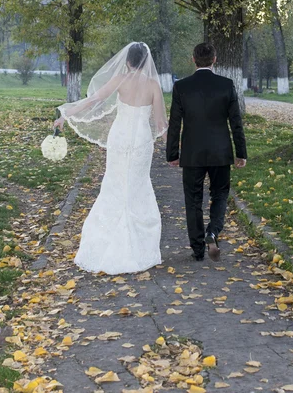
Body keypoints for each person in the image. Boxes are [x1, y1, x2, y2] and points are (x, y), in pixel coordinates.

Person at [54, 42, 168, 275]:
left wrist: (66, 113)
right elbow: (160, 124)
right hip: (140, 142)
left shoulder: (120, 80)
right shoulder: (154, 85)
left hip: (120, 137)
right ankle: (139, 247)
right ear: (146, 61)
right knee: (138, 185)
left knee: (115, 184)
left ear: (127, 61)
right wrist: (173, 151)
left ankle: (105, 243)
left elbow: (93, 100)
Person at [166, 42, 247, 262]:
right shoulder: (226, 85)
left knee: (193, 200)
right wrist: (241, 153)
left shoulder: (181, 87)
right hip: (221, 152)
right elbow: (236, 122)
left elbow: (174, 123)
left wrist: (172, 154)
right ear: (214, 59)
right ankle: (213, 232)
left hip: (192, 154)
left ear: (193, 59)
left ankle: (198, 249)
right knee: (220, 194)